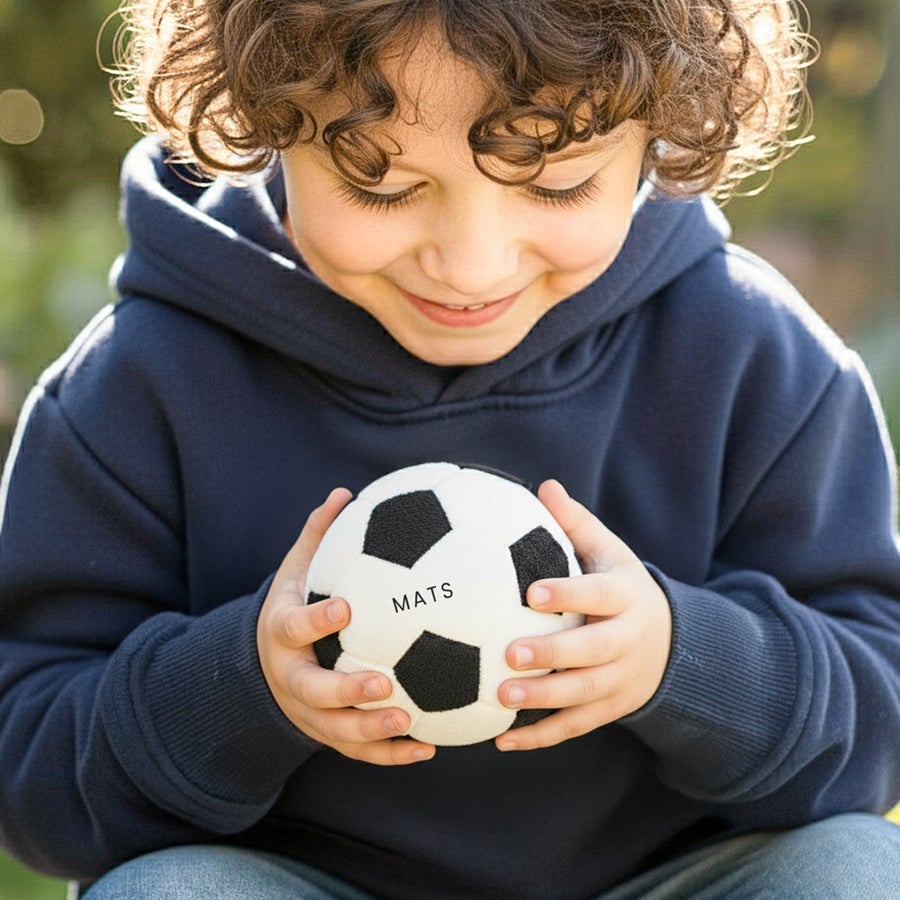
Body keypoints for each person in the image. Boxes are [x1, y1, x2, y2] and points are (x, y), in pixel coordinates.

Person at [1, 0, 898, 897]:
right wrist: (241, 690)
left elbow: (880, 724)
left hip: (676, 879)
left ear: (656, 131)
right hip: (299, 882)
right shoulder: (140, 388)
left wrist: (684, 661)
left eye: (555, 183)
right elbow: (32, 778)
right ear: (267, 119)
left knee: (858, 872)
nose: (472, 266)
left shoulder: (752, 358)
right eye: (383, 187)